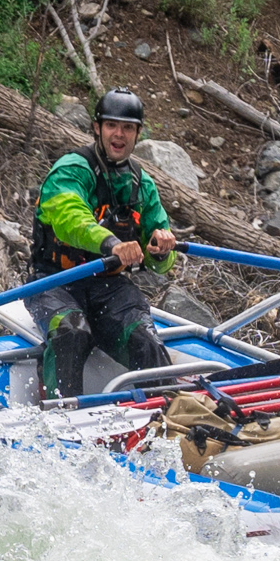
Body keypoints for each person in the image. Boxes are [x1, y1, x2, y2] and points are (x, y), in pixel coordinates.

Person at [27, 87, 177, 399]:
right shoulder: (72, 168)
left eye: (128, 128)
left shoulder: (142, 183)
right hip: (55, 281)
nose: (118, 135)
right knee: (71, 332)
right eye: (112, 125)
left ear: (137, 133)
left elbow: (158, 260)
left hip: (108, 287)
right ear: (97, 128)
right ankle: (61, 412)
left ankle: (166, 418)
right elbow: (71, 219)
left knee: (145, 340)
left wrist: (161, 249)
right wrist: (111, 244)